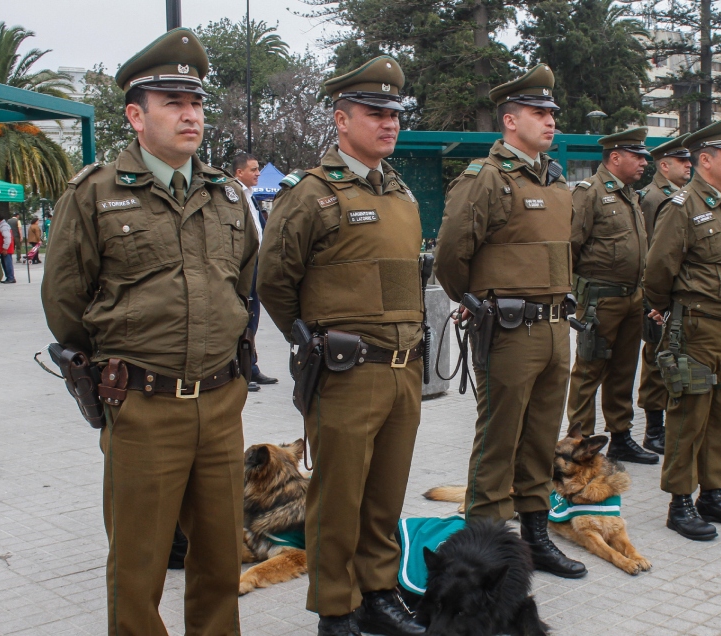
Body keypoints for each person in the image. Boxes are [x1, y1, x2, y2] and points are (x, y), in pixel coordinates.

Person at [40, 28, 258, 635]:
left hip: (219, 403)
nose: (191, 116)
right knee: (137, 571)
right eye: (173, 104)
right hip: (141, 405)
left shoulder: (227, 197)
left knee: (221, 561)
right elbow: (64, 302)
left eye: (196, 104)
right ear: (136, 115)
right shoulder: (95, 194)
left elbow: (241, 286)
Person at [257, 56, 427, 636]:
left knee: (384, 496)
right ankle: (336, 607)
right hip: (347, 374)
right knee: (337, 498)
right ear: (341, 119)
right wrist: (305, 339)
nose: (388, 124)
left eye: (394, 115)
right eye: (374, 113)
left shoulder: (401, 196)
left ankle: (378, 591)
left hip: (403, 372)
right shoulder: (311, 194)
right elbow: (274, 280)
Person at [434, 64, 587, 580]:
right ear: (509, 120)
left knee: (542, 437)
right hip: (508, 329)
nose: (550, 122)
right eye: (539, 113)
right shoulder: (486, 179)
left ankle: (535, 535)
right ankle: (485, 544)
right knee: (499, 437)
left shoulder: (558, 181)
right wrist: (477, 304)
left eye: (551, 114)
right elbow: (451, 256)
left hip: (554, 328)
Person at [643, 115, 721, 541]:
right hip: (695, 328)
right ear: (705, 160)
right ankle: (680, 502)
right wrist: (662, 308)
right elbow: (657, 268)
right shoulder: (683, 207)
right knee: (689, 415)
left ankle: (713, 492)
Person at [567, 127, 659, 465]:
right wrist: (574, 295)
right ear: (615, 157)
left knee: (623, 370)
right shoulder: (589, 193)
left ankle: (620, 437)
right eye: (637, 157)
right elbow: (570, 246)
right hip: (599, 301)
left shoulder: (631, 195)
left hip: (632, 298)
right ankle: (579, 444)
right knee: (589, 371)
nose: (643, 164)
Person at [636, 135, 692, 455]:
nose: (689, 166)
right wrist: (653, 299)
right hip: (659, 295)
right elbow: (651, 251)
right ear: (665, 165)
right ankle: (653, 428)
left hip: (676, 296)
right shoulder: (654, 197)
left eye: (689, 161)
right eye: (682, 162)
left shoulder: (678, 195)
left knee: (669, 358)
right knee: (656, 360)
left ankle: (665, 423)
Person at [232, 151, 278, 391]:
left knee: (253, 318)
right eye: (253, 169)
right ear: (239, 172)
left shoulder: (250, 196)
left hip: (256, 265)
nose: (258, 173)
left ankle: (252, 367)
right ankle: (240, 370)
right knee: (242, 319)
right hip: (242, 267)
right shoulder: (232, 196)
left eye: (258, 168)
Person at [0, 211, 17, 283]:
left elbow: (7, 237)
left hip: (6, 249)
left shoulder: (3, 226)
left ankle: (11, 277)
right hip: (4, 248)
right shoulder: (2, 225)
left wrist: (5, 248)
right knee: (5, 263)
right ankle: (8, 277)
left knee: (7, 263)